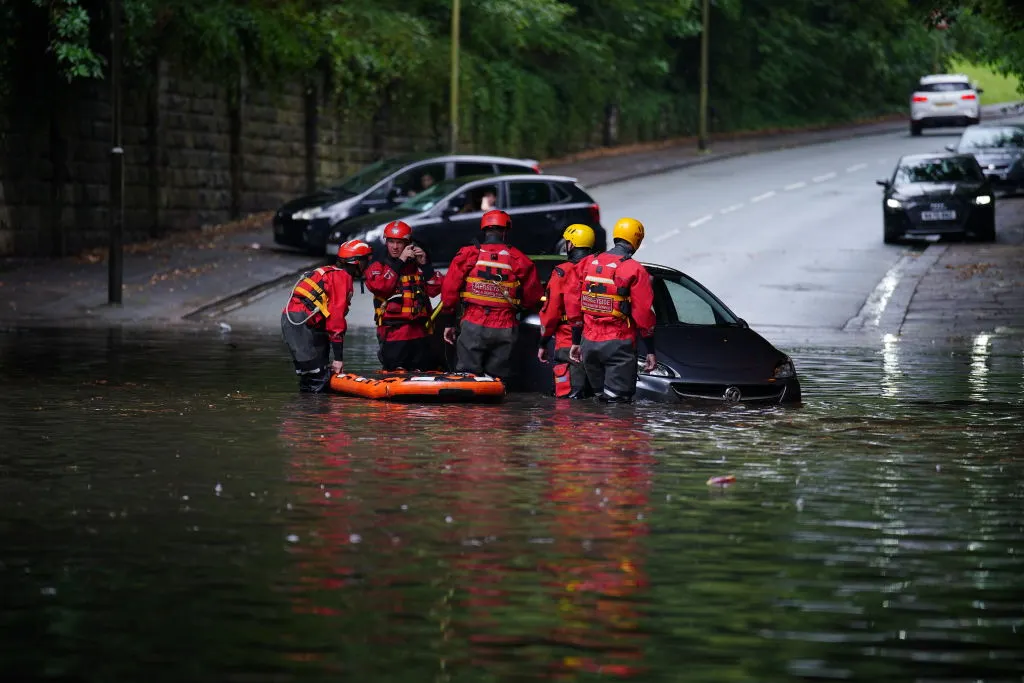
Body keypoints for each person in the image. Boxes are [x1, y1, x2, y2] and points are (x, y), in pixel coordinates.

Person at [440, 209, 543, 380]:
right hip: (505, 327)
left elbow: (449, 291)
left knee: (467, 377)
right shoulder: (518, 258)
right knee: (496, 379)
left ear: (484, 229)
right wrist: (520, 308)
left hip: (473, 323)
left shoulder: (468, 254)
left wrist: (449, 322)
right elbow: (534, 294)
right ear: (505, 231)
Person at [569, 217, 656, 403]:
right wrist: (650, 350)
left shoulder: (587, 263)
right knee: (618, 406)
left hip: (588, 343)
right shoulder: (634, 269)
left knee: (600, 399)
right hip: (618, 344)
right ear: (637, 240)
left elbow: (573, 304)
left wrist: (576, 341)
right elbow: (643, 315)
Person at [280, 239, 372, 392]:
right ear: (356, 262)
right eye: (365, 260)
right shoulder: (341, 278)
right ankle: (312, 413)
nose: (367, 265)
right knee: (316, 377)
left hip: (300, 320)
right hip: (301, 323)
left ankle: (309, 409)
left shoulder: (330, 272)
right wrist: (338, 359)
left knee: (314, 375)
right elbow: (336, 321)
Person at [364, 220, 444, 371]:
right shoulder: (378, 266)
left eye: (399, 243)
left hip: (420, 334)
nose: (395, 247)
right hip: (394, 335)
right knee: (395, 371)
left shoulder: (418, 265)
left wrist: (426, 265)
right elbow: (380, 287)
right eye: (391, 242)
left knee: (426, 371)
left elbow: (435, 290)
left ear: (408, 243)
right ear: (386, 242)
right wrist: (400, 262)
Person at [537, 224, 597, 398]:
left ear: (571, 245)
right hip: (598, 340)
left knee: (569, 401)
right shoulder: (599, 271)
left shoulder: (562, 273)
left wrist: (543, 342)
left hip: (568, 341)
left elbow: (551, 312)